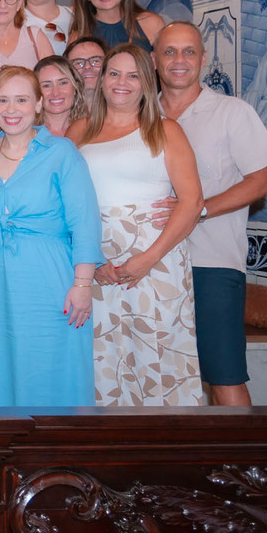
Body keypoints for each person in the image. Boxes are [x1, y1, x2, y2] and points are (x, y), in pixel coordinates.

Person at [0, 67, 103, 406]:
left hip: (49, 280)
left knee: (50, 366)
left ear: (38, 104)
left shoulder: (61, 152)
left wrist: (83, 285)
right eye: (2, 100)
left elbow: (85, 223)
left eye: (21, 100)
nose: (11, 109)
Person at [69, 44, 206, 406]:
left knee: (159, 356)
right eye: (114, 73)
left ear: (147, 83)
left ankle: (168, 440)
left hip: (156, 261)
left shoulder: (165, 130)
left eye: (133, 75)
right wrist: (91, 263)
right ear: (101, 80)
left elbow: (192, 203)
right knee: (104, 361)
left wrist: (147, 259)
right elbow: (61, 203)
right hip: (95, 264)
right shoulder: (79, 130)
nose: (122, 82)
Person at [155, 22, 267, 406]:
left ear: (204, 58)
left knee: (224, 377)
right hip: (152, 265)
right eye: (169, 51)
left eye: (189, 51)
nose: (179, 60)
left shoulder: (232, 112)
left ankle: (244, 449)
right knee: (159, 377)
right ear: (154, 59)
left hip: (211, 263)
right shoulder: (140, 115)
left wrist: (198, 209)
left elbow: (260, 182)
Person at [35, 55, 88, 137]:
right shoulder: (25, 132)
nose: (55, 93)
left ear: (75, 87)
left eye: (63, 83)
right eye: (46, 85)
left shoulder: (91, 130)